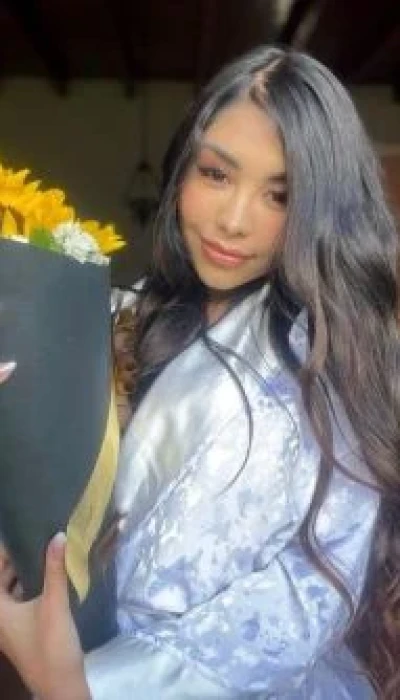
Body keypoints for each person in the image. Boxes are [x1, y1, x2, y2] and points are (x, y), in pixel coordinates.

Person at [0, 44, 399, 699]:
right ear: (184, 165)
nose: (234, 221)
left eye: (280, 195)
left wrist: (81, 685)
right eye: (216, 174)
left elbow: (300, 601)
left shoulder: (329, 366)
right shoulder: (122, 316)